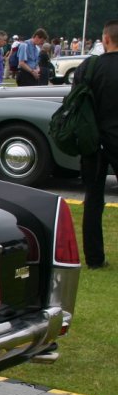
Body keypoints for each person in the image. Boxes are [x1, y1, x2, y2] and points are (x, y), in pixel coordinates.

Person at [76, 19, 118, 269]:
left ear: (105, 39)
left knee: (93, 199)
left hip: (93, 139)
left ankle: (94, 257)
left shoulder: (88, 67)